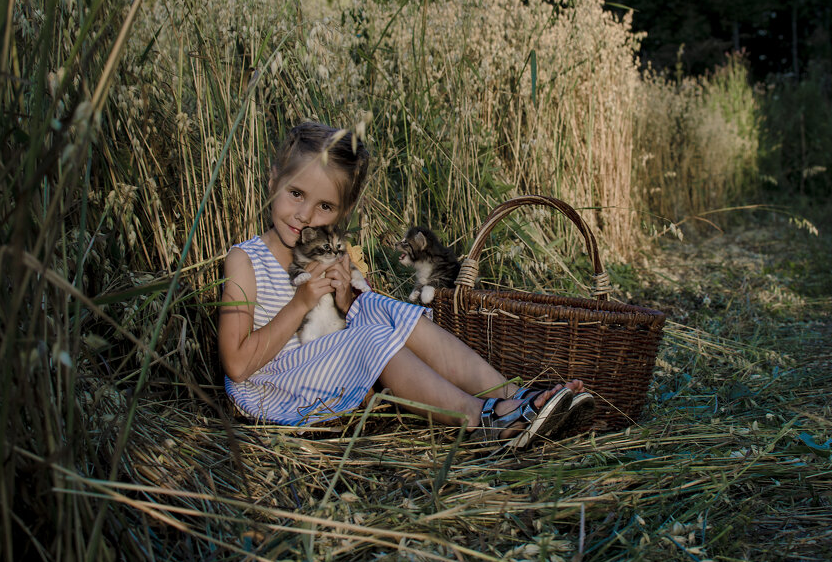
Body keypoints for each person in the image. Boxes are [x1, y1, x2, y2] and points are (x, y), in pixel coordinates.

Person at [218, 121, 593, 448]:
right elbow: (236, 365)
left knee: (381, 307)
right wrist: (299, 304)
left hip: (320, 368)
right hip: (271, 388)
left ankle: (516, 396)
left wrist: (347, 299)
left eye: (325, 207)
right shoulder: (246, 261)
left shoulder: (329, 252)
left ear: (342, 212)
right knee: (374, 335)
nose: (305, 216)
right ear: (272, 181)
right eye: (296, 194)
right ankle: (481, 419)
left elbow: (339, 328)